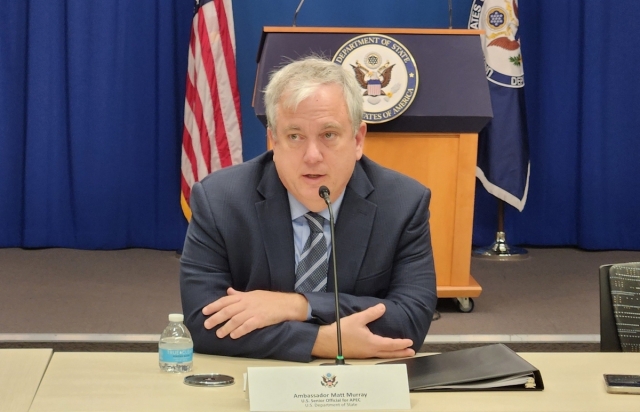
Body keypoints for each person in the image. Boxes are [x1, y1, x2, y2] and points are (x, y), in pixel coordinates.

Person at [180, 56, 437, 363]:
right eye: (295, 136)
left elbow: (410, 321)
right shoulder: (220, 200)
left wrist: (298, 306)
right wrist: (321, 341)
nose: (312, 155)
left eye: (329, 135)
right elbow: (204, 323)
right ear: (273, 140)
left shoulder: (403, 203)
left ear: (357, 140)